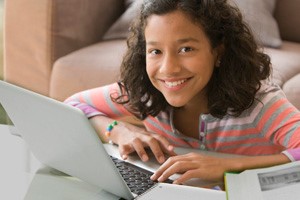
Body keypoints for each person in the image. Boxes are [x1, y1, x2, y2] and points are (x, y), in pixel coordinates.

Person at [65, 0, 300, 186]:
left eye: (186, 49)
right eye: (155, 51)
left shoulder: (259, 104)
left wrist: (229, 167)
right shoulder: (144, 93)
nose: (169, 69)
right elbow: (72, 105)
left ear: (218, 52)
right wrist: (118, 131)